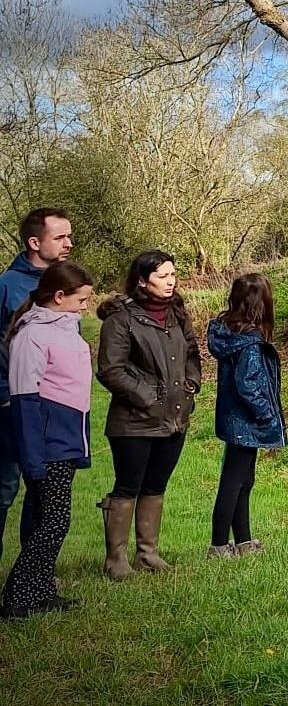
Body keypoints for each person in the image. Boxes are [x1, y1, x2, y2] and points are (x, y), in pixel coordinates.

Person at [96, 250, 202, 579]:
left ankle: (148, 553)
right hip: (133, 422)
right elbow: (110, 370)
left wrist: (190, 387)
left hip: (175, 417)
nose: (170, 282)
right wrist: (146, 398)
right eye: (162, 276)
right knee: (128, 485)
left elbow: (193, 353)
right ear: (143, 281)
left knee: (156, 485)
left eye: (172, 275)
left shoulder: (177, 314)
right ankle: (116, 559)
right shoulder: (121, 319)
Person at [1, 261, 93, 618]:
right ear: (59, 296)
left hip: (65, 440)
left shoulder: (67, 328)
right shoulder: (32, 334)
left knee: (55, 520)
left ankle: (38, 592)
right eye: (81, 299)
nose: (86, 306)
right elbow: (25, 398)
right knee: (51, 522)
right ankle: (18, 596)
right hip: (46, 443)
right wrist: (33, 457)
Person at [0, 208, 73, 566]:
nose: (68, 243)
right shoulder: (7, 287)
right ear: (34, 242)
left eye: (69, 236)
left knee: (43, 491)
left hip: (53, 409)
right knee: (3, 489)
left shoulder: (66, 284)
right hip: (9, 404)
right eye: (60, 237)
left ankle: (34, 576)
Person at [206, 273, 287, 558]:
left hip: (233, 418)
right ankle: (218, 545)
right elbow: (250, 386)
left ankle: (243, 540)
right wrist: (267, 418)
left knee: (242, 480)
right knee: (233, 482)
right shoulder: (251, 343)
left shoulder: (230, 335)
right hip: (247, 421)